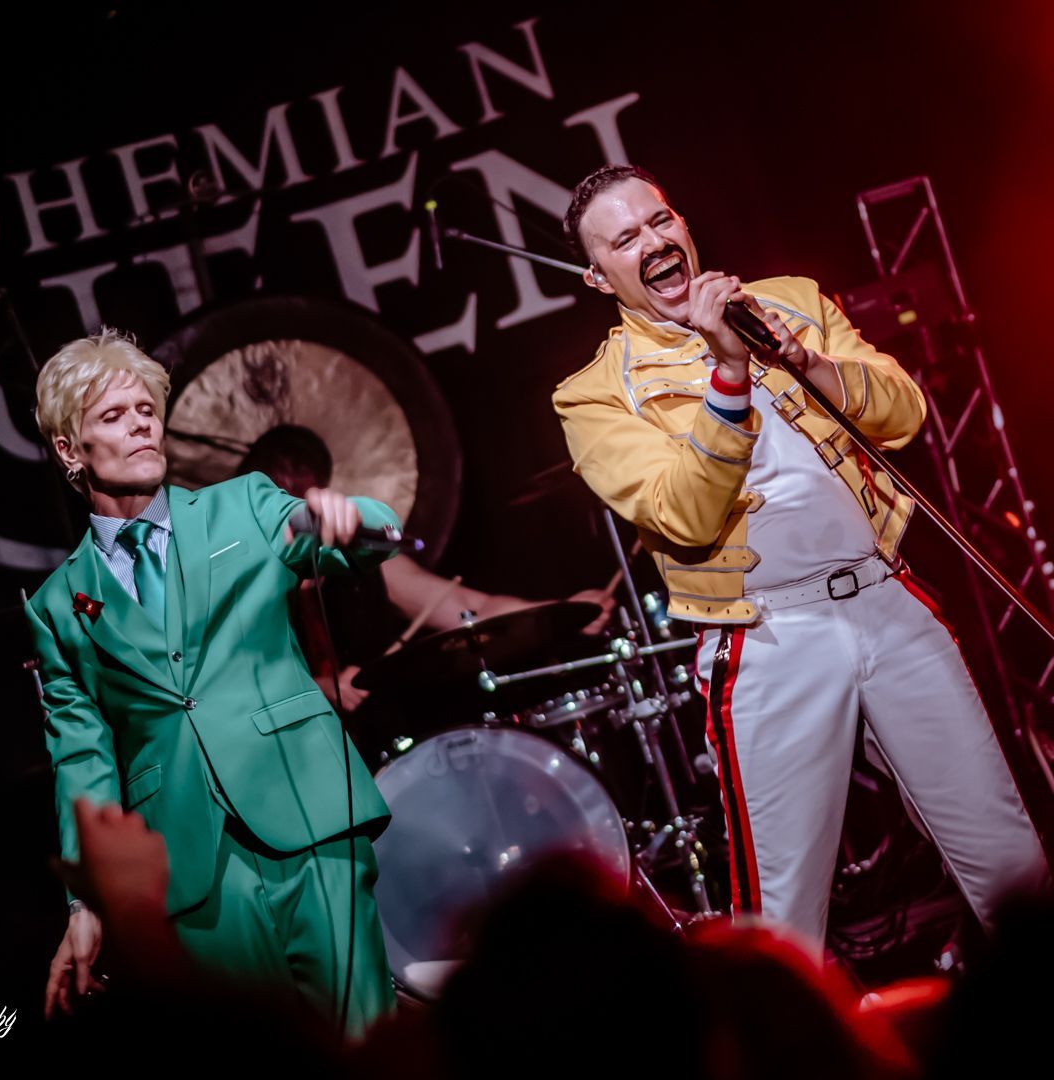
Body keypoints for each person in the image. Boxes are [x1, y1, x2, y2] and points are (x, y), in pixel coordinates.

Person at [552, 164, 1048, 949]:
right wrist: (727, 373)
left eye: (660, 221)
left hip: (885, 599)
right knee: (785, 926)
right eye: (624, 239)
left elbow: (905, 411)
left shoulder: (791, 300)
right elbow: (682, 513)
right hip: (770, 639)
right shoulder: (594, 394)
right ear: (597, 274)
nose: (653, 242)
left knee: (1010, 861)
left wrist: (806, 362)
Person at [25, 329, 399, 1035]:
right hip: (190, 863)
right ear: (70, 452)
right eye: (113, 415)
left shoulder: (243, 506)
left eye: (145, 408)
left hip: (305, 812)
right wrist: (87, 903)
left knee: (367, 1042)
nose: (139, 423)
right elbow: (82, 760)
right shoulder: (57, 604)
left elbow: (342, 530)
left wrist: (353, 523)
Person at [233, 425, 616, 715]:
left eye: (307, 499)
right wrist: (317, 688)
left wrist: (565, 611)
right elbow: (223, 695)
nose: (301, 516)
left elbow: (471, 607)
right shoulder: (230, 583)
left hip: (380, 758)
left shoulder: (358, 560)